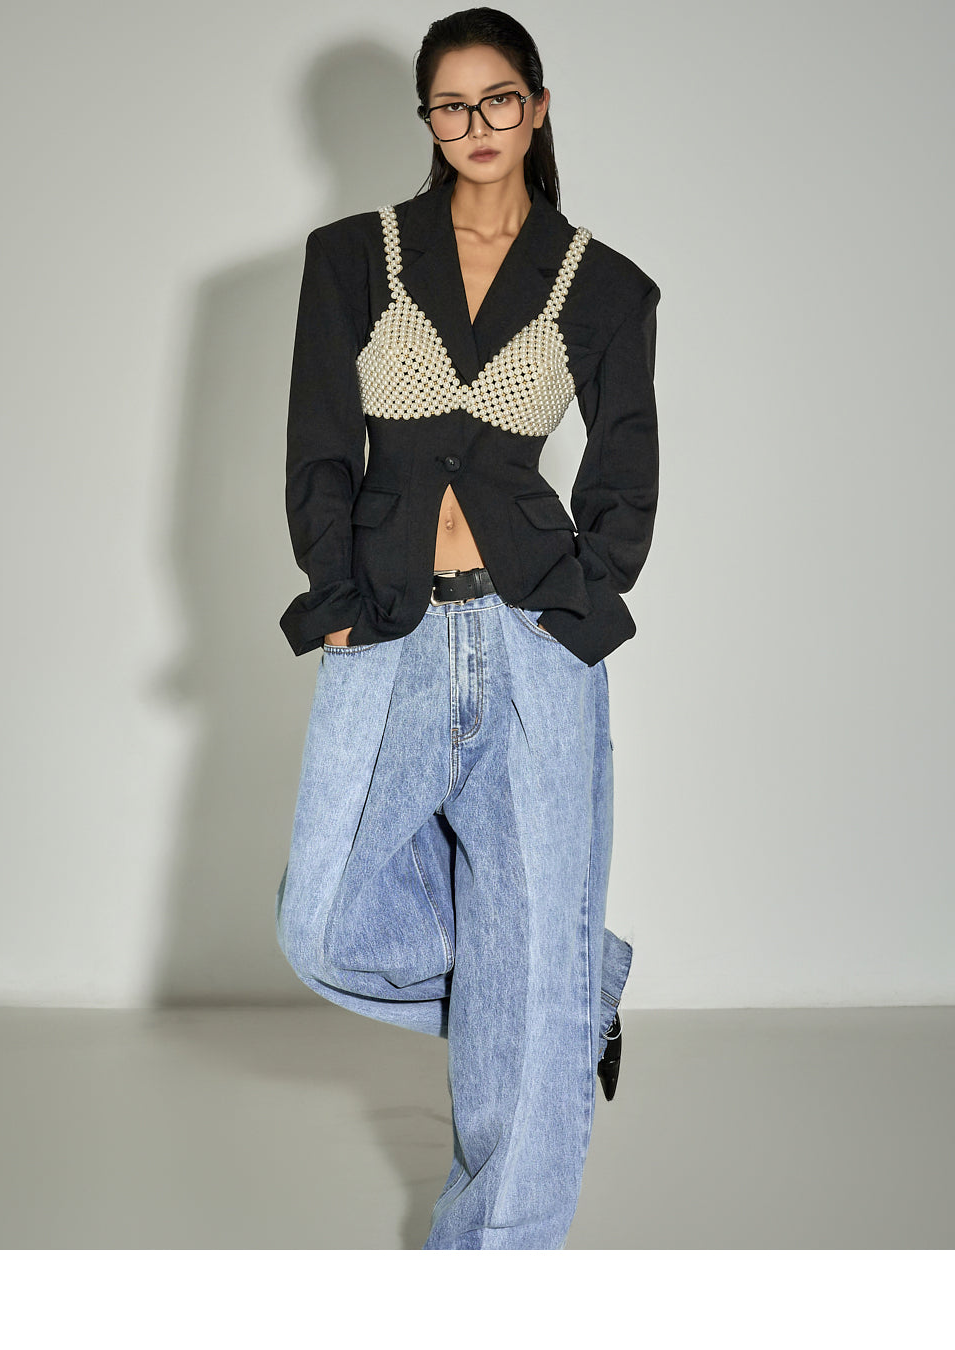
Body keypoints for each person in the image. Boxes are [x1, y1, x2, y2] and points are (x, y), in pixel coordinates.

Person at [275, 6, 660, 1249]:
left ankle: (492, 1272)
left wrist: (581, 606)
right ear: (429, 121)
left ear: (535, 108)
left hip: (535, 639)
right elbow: (319, 449)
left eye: (498, 100)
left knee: (528, 973)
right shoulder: (355, 257)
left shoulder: (601, 283)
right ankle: (570, 977)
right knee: (319, 917)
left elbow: (626, 466)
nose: (476, 124)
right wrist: (336, 604)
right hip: (389, 631)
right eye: (451, 105)